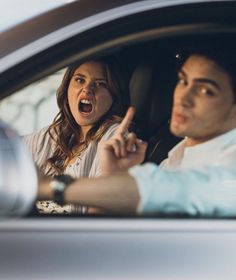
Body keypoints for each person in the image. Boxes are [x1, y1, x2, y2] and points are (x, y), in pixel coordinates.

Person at [38, 45, 236, 217]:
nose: (183, 97)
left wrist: (48, 187)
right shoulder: (175, 158)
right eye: (183, 81)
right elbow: (102, 238)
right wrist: (113, 175)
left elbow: (171, 189)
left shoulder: (228, 166)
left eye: (205, 91)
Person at [24, 56, 128, 214]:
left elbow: (101, 215)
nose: (87, 89)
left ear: (113, 96)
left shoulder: (115, 135)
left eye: (100, 84)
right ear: (67, 88)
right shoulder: (55, 134)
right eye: (80, 80)